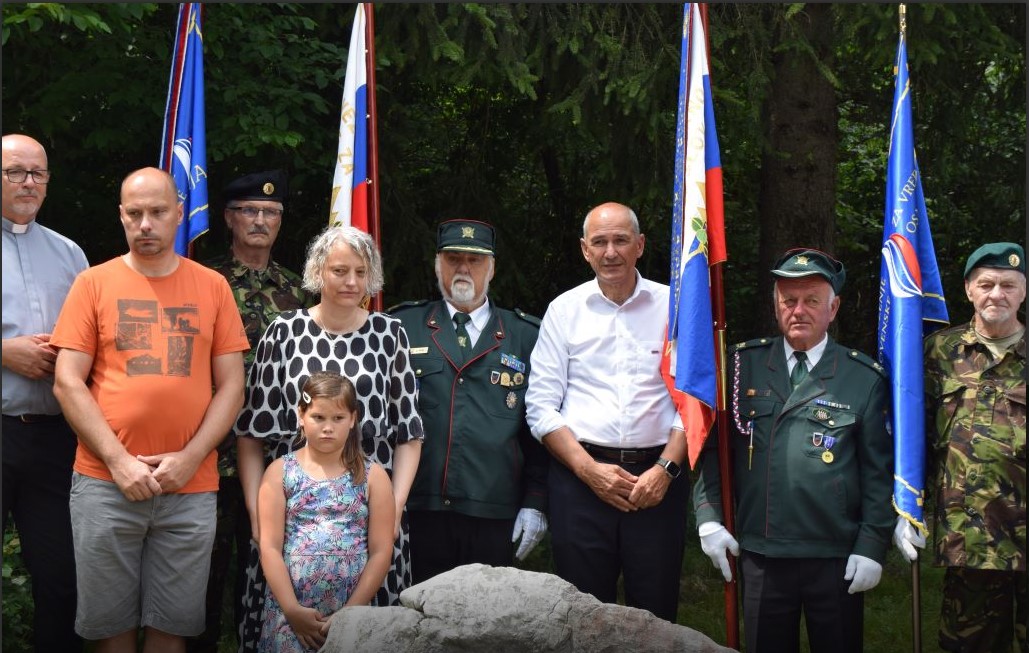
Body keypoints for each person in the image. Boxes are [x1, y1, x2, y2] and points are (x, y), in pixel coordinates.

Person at [50, 167, 249, 652]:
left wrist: (191, 458)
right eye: (135, 213)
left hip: (189, 485)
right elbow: (67, 381)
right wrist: (119, 462)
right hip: (105, 483)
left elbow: (232, 387)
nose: (145, 224)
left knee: (171, 630)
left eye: (158, 212)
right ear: (121, 216)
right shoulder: (93, 284)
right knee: (110, 631)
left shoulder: (212, 287)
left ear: (179, 213)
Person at [693, 247, 894, 653]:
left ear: (833, 308)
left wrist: (872, 545)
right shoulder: (739, 366)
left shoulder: (862, 377)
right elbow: (711, 450)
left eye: (811, 301)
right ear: (776, 306)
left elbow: (878, 473)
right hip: (762, 553)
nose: (798, 310)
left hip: (835, 556)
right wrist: (709, 518)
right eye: (789, 300)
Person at [235, 224, 423, 650]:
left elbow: (409, 434)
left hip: (372, 516)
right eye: (340, 270)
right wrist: (255, 511)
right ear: (318, 272)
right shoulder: (284, 333)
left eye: (361, 271)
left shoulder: (389, 334)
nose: (351, 281)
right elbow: (251, 434)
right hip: (289, 516)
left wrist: (394, 508)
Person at [525, 202, 688, 623]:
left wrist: (666, 469)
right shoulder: (564, 310)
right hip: (580, 484)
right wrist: (588, 471)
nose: (610, 252)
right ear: (585, 249)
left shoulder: (674, 307)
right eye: (600, 242)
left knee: (655, 618)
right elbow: (541, 405)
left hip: (656, 483)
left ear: (640, 245)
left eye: (621, 240)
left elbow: (693, 400)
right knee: (582, 615)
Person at [191, 169, 315, 653]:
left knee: (269, 571)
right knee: (204, 576)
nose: (260, 220)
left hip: (280, 458)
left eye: (271, 212)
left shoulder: (300, 292)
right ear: (228, 218)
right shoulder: (204, 283)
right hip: (211, 454)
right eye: (249, 211)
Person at [390, 219, 548, 584]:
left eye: (474, 260)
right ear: (437, 265)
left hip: (494, 512)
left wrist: (535, 502)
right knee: (415, 611)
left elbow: (539, 429)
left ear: (492, 268)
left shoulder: (526, 336)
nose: (463, 268)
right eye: (453, 258)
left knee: (488, 614)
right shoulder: (401, 327)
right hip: (417, 506)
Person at [896, 242, 1026, 653]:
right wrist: (906, 504)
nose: (996, 294)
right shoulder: (938, 353)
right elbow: (910, 434)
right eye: (986, 284)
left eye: (1008, 285)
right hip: (970, 539)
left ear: (1023, 291)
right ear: (969, 289)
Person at [1, 133, 88, 652]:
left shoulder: (70, 253)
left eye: (38, 173)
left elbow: (92, 335)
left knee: (62, 579)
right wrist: (3, 352)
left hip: (55, 439)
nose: (28, 182)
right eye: (15, 172)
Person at [257, 372, 395, 653]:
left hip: (352, 616)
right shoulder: (280, 472)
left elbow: (382, 551)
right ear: (301, 415)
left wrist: (350, 613)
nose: (328, 427)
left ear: (353, 418)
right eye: (318, 417)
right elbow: (269, 547)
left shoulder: (373, 477)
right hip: (289, 616)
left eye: (338, 418)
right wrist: (292, 610)